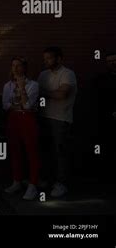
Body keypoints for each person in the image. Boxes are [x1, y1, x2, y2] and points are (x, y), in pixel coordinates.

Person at [37, 47, 77, 198]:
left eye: (49, 58)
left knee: (60, 152)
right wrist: (50, 94)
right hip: (44, 117)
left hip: (61, 119)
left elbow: (62, 94)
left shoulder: (68, 74)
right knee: (46, 151)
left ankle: (62, 184)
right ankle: (48, 180)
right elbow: (39, 94)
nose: (46, 61)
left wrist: (44, 93)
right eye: (45, 58)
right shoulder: (43, 74)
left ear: (59, 59)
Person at [2, 57, 40, 200]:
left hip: (28, 119)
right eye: (13, 65)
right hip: (13, 119)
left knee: (32, 151)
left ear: (24, 67)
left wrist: (22, 87)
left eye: (18, 65)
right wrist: (19, 105)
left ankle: (33, 184)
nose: (15, 68)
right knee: (15, 150)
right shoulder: (8, 86)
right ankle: (17, 181)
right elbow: (5, 105)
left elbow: (28, 106)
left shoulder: (33, 85)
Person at [94, 52, 116, 185]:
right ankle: (107, 180)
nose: (112, 63)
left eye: (114, 60)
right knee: (106, 150)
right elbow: (97, 100)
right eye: (109, 61)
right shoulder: (100, 80)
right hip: (105, 121)